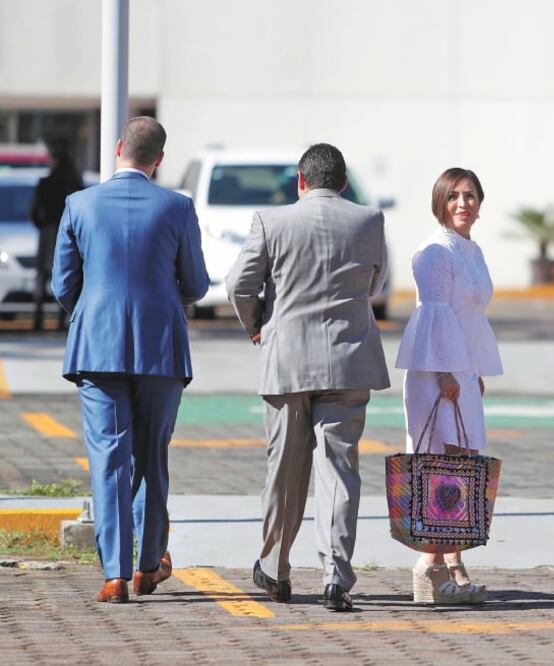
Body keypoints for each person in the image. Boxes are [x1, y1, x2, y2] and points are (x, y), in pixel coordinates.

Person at [51, 116, 209, 603]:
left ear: (119, 147)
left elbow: (62, 284)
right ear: (159, 159)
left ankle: (114, 575)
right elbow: (199, 285)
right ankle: (148, 566)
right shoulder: (177, 207)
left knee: (108, 458)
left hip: (96, 348)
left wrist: (94, 311)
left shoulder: (78, 204)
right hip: (160, 345)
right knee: (151, 456)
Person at [226, 143, 390, 612]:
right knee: (339, 471)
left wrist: (258, 323)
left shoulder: (270, 221)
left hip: (287, 362)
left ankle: (275, 566)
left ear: (301, 180)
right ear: (342, 182)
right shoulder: (369, 221)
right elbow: (372, 284)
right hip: (349, 360)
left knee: (285, 469)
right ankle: (336, 575)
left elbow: (239, 284)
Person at [395, 167, 503, 605]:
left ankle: (451, 563)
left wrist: (472, 369)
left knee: (461, 465)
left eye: (471, 195)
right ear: (440, 201)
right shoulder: (436, 251)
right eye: (454, 196)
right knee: (443, 468)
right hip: (436, 374)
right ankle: (429, 567)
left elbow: (470, 320)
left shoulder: (471, 251)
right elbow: (433, 316)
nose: (463, 203)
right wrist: (444, 374)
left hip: (460, 371)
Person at [31, 137, 83, 331]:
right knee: (68, 273)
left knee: (41, 276)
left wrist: (43, 224)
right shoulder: (74, 185)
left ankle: (38, 318)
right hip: (68, 234)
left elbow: (34, 213)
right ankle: (63, 319)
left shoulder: (44, 183)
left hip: (47, 234)